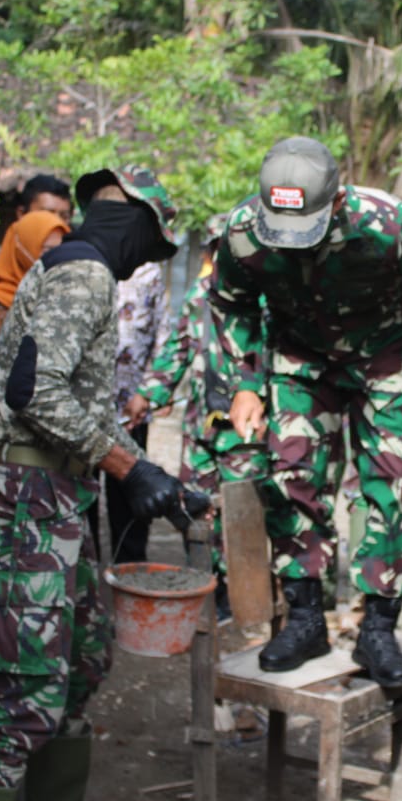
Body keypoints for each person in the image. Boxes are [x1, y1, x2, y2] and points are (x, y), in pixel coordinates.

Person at [0, 166, 187, 801]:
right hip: (27, 500)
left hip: (57, 498)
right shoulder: (84, 274)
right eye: (150, 246)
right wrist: (125, 466)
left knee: (82, 663)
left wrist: (149, 472)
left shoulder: (82, 270)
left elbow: (87, 406)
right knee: (23, 697)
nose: (146, 262)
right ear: (135, 227)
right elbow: (33, 392)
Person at [207, 137, 402, 689]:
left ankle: (377, 629)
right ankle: (306, 619)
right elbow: (231, 303)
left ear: (337, 201)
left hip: (386, 359)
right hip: (300, 361)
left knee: (395, 479)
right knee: (290, 475)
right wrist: (245, 384)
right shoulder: (243, 231)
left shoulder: (391, 225)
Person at [125, 213, 268, 617]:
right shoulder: (201, 294)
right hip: (201, 427)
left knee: (243, 514)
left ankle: (245, 599)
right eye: (218, 249)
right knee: (194, 511)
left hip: (247, 431)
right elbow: (178, 349)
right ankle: (206, 589)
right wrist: (148, 394)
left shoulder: (268, 296)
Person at [0, 210, 70, 423]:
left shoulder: (64, 301)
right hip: (1, 425)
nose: (58, 258)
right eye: (47, 250)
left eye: (62, 249)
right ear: (22, 249)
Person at [103, 251, 173, 564]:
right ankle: (86, 570)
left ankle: (130, 569)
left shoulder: (148, 273)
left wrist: (149, 391)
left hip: (131, 408)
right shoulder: (91, 265)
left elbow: (163, 334)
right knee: (82, 493)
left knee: (130, 488)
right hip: (86, 409)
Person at [0, 174, 75, 299]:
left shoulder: (72, 268)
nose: (56, 222)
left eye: (64, 216)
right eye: (46, 214)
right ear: (22, 214)